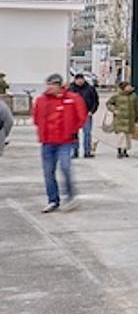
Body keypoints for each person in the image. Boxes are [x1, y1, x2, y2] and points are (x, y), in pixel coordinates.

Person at [34, 73, 87, 213]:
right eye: (48, 84)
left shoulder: (72, 99)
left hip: (66, 141)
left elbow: (82, 116)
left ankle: (70, 196)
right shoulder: (41, 100)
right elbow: (36, 117)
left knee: (65, 167)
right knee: (48, 172)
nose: (50, 87)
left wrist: (72, 130)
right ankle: (53, 200)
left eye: (53, 84)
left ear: (59, 85)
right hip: (48, 141)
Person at [67, 73, 100, 159]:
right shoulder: (70, 89)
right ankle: (74, 151)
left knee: (87, 133)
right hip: (74, 115)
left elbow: (95, 101)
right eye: (78, 79)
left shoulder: (90, 89)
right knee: (74, 134)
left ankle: (87, 152)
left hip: (86, 114)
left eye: (81, 79)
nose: (80, 81)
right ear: (75, 80)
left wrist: (92, 111)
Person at [105, 81, 138, 158]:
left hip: (130, 119)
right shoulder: (116, 96)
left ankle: (125, 150)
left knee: (128, 136)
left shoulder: (133, 96)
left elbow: (137, 107)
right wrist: (114, 110)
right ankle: (119, 150)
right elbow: (108, 103)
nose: (129, 87)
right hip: (119, 119)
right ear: (123, 88)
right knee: (121, 136)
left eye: (129, 86)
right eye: (127, 86)